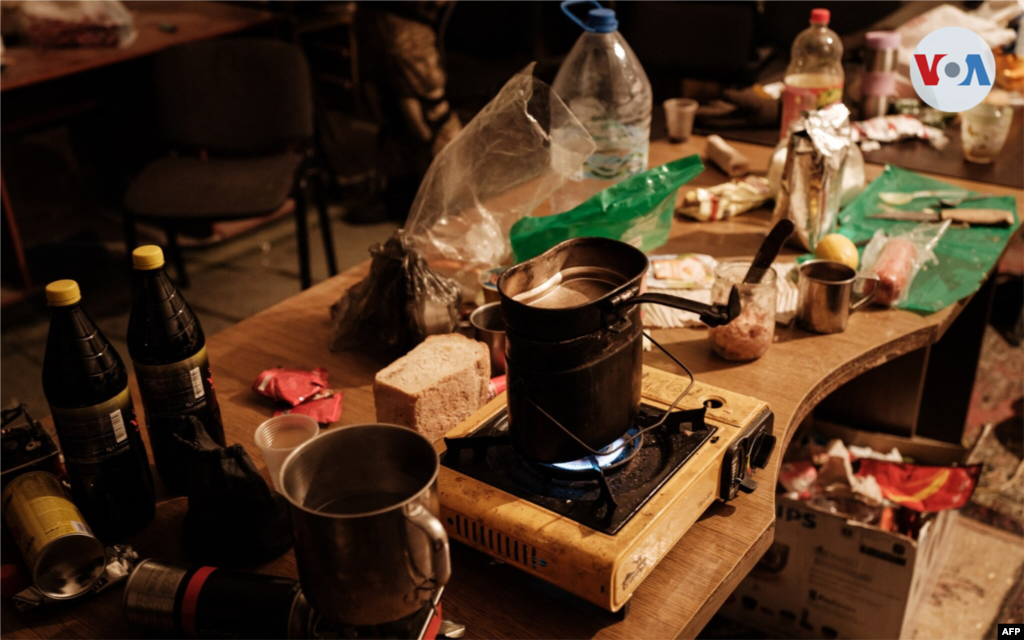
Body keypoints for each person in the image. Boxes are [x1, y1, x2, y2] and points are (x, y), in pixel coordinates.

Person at [351, 0, 463, 223]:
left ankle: (456, 204)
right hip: (375, 13)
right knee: (389, 107)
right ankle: (402, 194)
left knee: (430, 111)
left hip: (413, 16)